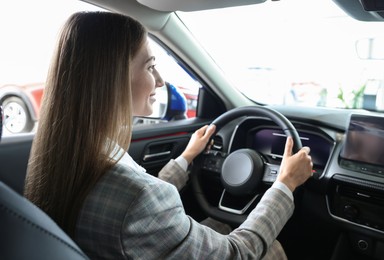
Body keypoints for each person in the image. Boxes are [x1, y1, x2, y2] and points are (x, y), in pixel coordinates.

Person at [24, 11, 313, 259]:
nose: (160, 80)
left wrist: (186, 157)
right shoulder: (139, 197)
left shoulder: (61, 159)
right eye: (150, 67)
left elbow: (138, 205)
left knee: (217, 222)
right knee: (269, 248)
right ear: (112, 79)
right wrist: (285, 184)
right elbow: (237, 254)